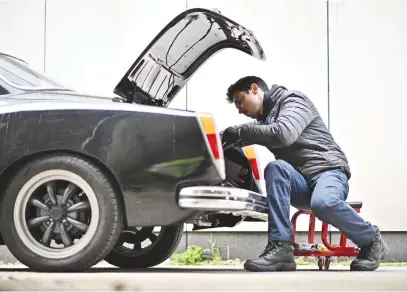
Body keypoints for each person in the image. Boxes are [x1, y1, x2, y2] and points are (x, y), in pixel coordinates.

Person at [221, 76, 389, 272]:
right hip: (301, 183)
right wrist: (217, 137)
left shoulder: (293, 100)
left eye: (240, 101)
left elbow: (283, 133)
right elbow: (239, 134)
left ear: (255, 89)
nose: (240, 110)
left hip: (327, 171)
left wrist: (239, 132)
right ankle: (281, 248)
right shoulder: (263, 121)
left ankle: (371, 240)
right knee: (276, 168)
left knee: (323, 203)